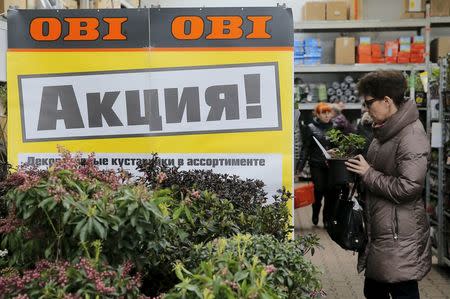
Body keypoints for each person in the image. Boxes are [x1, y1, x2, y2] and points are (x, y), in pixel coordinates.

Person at [345, 70, 431, 299]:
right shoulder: (385, 132)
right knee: (374, 290)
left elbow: (409, 187)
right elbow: (377, 171)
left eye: (368, 103)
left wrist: (368, 173)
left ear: (387, 101)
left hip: (398, 235)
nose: (366, 109)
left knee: (401, 290)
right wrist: (358, 170)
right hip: (382, 230)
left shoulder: (410, 135)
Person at [297, 102, 335, 226]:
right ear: (317, 114)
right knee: (318, 190)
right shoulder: (310, 128)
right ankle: (315, 213)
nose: (327, 115)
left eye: (329, 112)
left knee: (330, 192)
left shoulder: (334, 128)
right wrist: (300, 167)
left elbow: (339, 146)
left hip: (330, 165)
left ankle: (326, 218)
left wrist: (336, 151)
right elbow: (306, 148)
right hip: (316, 164)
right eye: (324, 113)